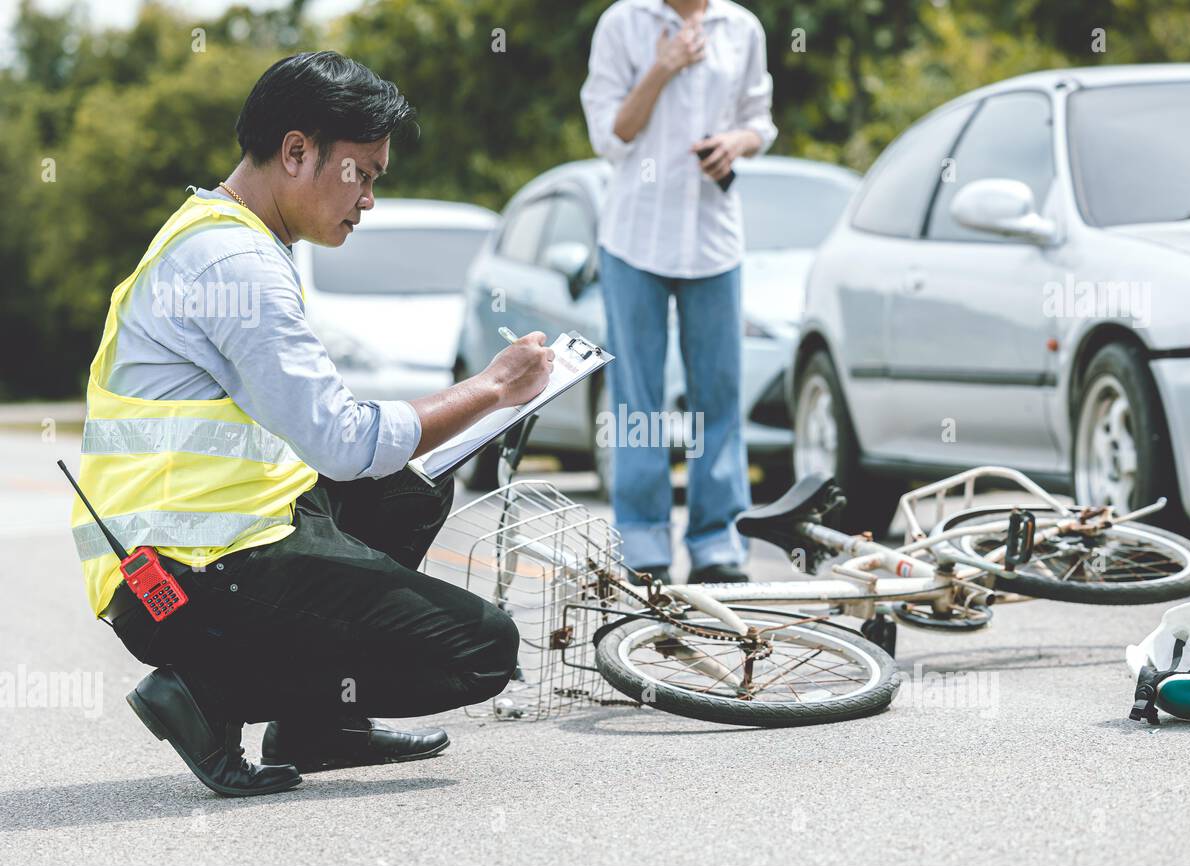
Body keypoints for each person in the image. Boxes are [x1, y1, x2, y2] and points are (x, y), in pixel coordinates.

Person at [70, 52, 554, 797]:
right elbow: (342, 439)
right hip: (181, 575)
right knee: (483, 652)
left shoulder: (221, 232)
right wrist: (491, 388)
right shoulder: (237, 264)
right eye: (362, 173)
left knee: (408, 491)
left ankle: (321, 727)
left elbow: (336, 439)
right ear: (296, 151)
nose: (368, 200)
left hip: (208, 540)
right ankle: (206, 689)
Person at [580, 0, 777, 585]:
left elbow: (760, 120)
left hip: (715, 240)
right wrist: (662, 67)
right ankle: (643, 545)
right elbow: (610, 136)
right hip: (634, 241)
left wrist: (735, 143)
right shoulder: (623, 23)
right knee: (637, 400)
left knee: (718, 395)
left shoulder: (742, 28)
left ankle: (718, 545)